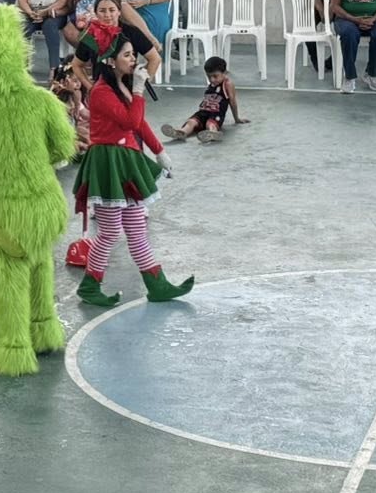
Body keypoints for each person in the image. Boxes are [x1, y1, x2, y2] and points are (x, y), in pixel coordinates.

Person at [73, 44, 194, 307]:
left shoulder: (121, 86)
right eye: (126, 55)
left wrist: (159, 151)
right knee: (109, 232)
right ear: (110, 61)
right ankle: (90, 286)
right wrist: (138, 90)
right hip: (108, 165)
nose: (133, 59)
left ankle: (157, 284)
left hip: (126, 162)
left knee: (137, 229)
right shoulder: (101, 92)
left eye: (132, 54)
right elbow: (130, 122)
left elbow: (139, 123)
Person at [166, 55, 248, 142]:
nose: (212, 80)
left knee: (210, 124)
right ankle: (182, 132)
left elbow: (233, 102)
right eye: (209, 76)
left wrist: (237, 119)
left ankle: (212, 133)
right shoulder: (213, 84)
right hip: (203, 112)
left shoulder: (227, 84)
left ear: (224, 73)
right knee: (191, 122)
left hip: (216, 113)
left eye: (215, 76)